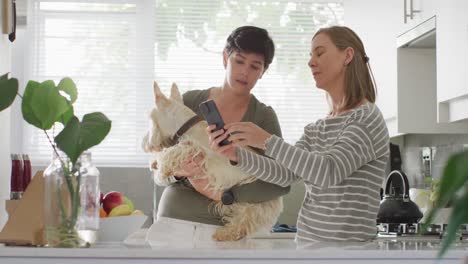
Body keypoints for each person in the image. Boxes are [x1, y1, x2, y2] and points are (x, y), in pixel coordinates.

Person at [207, 26, 390, 242]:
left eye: (319, 53)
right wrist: (236, 155)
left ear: (347, 56)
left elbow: (327, 172)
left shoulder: (365, 118)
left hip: (348, 254)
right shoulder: (317, 128)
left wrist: (266, 140)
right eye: (310, 55)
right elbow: (286, 174)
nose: (311, 62)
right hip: (307, 248)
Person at [155, 26, 290, 228]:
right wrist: (178, 172)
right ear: (225, 58)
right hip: (174, 219)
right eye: (239, 61)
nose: (245, 71)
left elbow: (280, 183)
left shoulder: (263, 117)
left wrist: (226, 195)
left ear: (263, 72)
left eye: (255, 66)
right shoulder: (189, 102)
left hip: (228, 230)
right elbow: (157, 171)